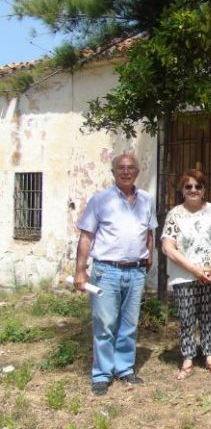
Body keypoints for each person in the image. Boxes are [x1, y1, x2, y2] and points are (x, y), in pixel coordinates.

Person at [73, 154, 158, 396]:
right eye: (120, 168)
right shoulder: (100, 200)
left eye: (130, 168)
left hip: (135, 270)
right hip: (106, 271)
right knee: (105, 324)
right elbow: (86, 236)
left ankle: (124, 368)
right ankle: (101, 374)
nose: (125, 172)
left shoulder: (146, 200)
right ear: (113, 172)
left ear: (137, 172)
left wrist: (148, 255)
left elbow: (149, 231)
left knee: (129, 324)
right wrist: (80, 270)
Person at [161, 170, 211, 380]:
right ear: (182, 190)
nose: (193, 190)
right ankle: (187, 359)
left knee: (208, 316)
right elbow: (168, 247)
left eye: (198, 186)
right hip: (185, 275)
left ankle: (210, 357)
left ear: (203, 190)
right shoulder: (174, 214)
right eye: (188, 186)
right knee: (186, 317)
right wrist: (194, 269)